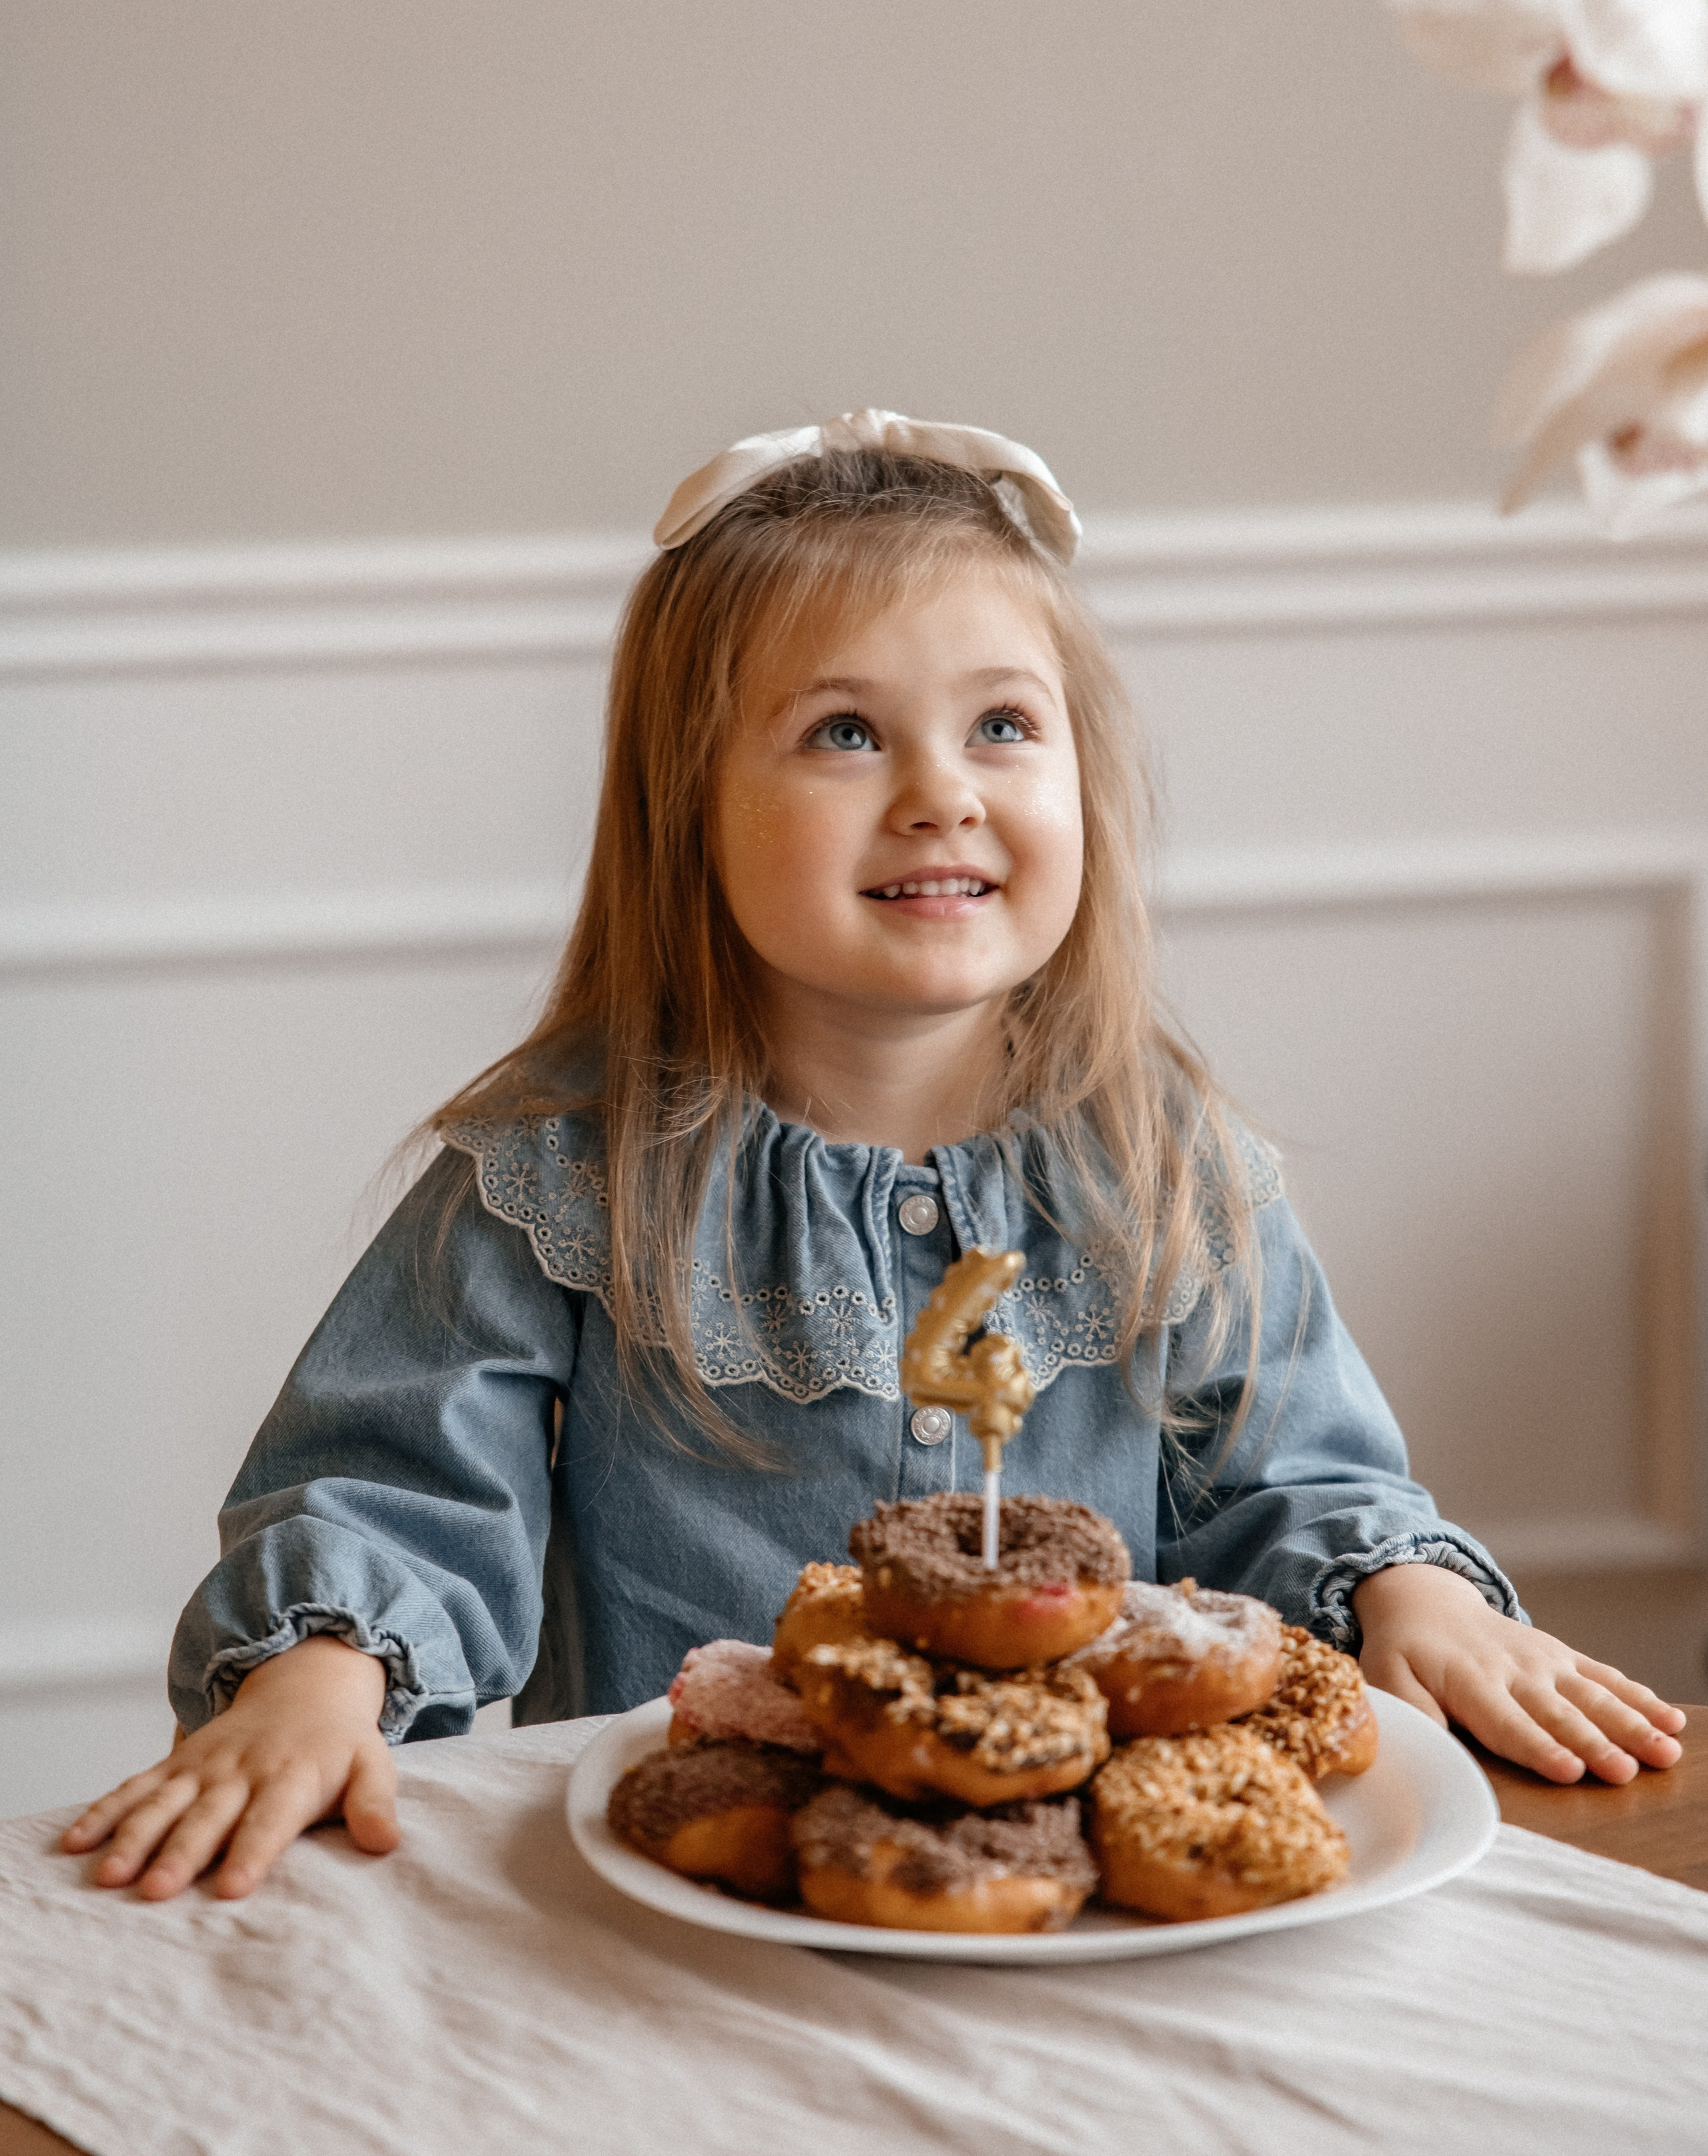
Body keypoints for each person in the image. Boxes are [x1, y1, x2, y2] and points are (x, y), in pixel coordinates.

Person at [62, 410, 1685, 1902]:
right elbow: (394, 1487)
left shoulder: (1164, 1161)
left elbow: (1292, 1480)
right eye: (843, 733)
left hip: (1077, 1920)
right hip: (695, 1904)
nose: (937, 796)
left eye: (999, 725)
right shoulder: (564, 1173)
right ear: (683, 805)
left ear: (1083, 782)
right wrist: (315, 1678)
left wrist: (1410, 1595)